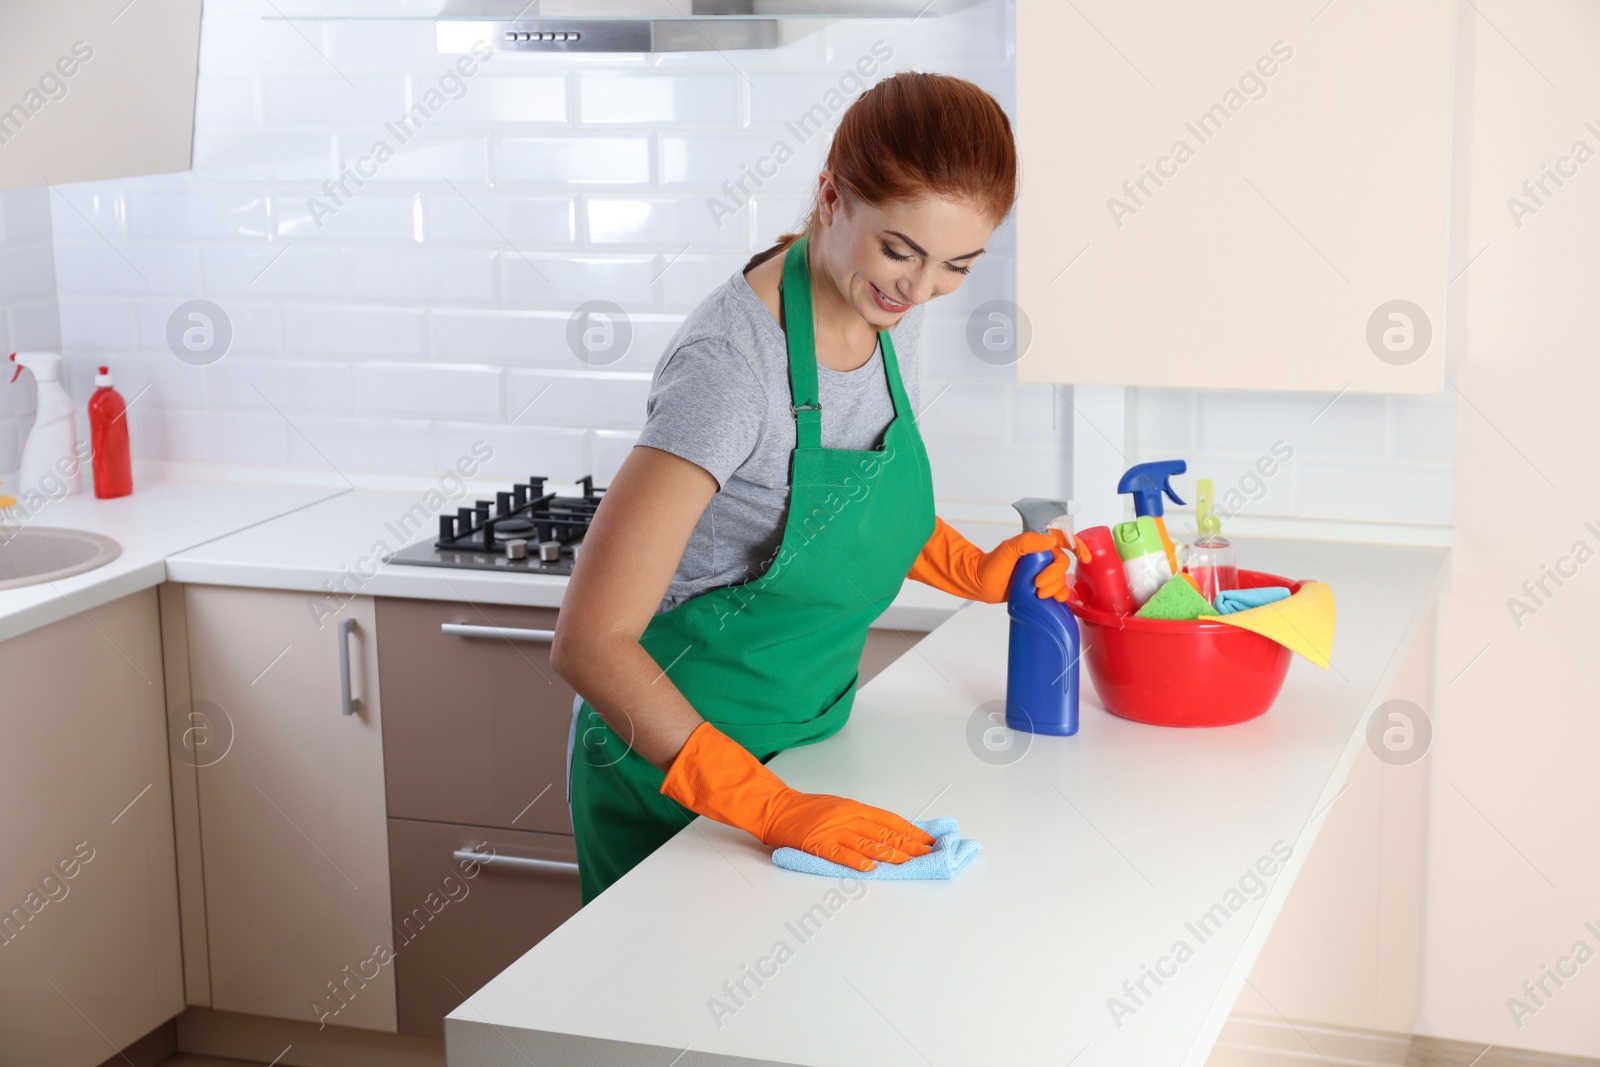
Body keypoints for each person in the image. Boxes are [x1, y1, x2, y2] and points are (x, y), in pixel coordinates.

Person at [551, 71, 1071, 905]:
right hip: (680, 786)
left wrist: (971, 570)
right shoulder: (731, 373)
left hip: (804, 752)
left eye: (955, 266)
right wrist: (767, 805)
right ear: (831, 197)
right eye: (899, 249)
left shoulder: (860, 305)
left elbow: (830, 503)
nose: (917, 289)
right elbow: (589, 640)